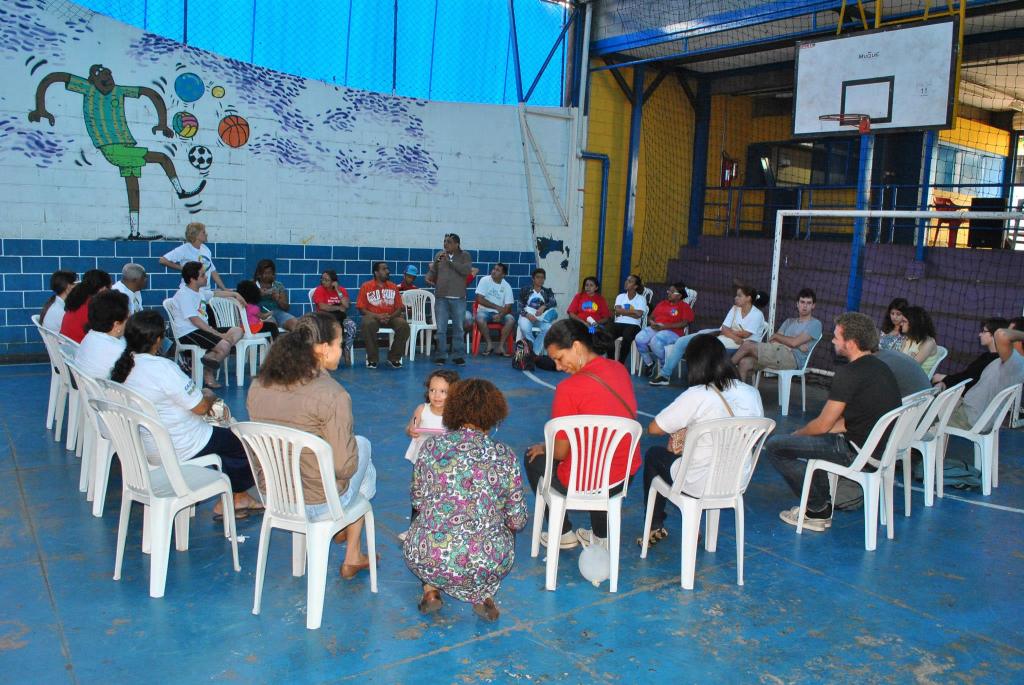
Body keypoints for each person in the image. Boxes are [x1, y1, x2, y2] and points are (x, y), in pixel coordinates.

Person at [247, 312, 375, 578]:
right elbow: (344, 468)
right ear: (323, 348)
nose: (342, 350)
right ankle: (352, 549)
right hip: (317, 502)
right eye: (340, 344)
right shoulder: (333, 395)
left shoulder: (258, 386)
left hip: (274, 496)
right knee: (363, 449)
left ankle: (349, 539)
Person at [111, 311, 260, 519]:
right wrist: (208, 396)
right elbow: (200, 408)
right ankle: (237, 497)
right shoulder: (163, 368)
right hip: (182, 444)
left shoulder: (123, 367)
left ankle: (234, 495)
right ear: (157, 340)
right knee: (240, 444)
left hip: (148, 446)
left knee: (224, 438)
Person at [28, 65, 205, 239]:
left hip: (126, 146)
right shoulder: (87, 89)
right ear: (94, 79)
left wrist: (162, 123)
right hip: (112, 148)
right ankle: (180, 191)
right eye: (104, 77)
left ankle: (134, 232)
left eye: (110, 76)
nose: (109, 80)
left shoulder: (119, 91)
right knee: (163, 158)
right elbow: (53, 78)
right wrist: (40, 108)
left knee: (133, 187)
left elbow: (150, 93)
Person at [764, 312, 901, 532]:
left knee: (775, 447)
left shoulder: (849, 374)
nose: (833, 340)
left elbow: (823, 425)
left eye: (837, 336)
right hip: (879, 451)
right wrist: (805, 435)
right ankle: (821, 505)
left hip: (856, 452)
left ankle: (817, 510)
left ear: (852, 343)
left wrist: (796, 436)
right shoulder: (880, 368)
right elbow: (851, 420)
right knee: (809, 441)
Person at [404, 378, 526, 622]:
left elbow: (417, 501)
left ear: (454, 409)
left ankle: (430, 589)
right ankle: (483, 593)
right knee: (502, 529)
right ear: (494, 414)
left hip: (429, 555)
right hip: (485, 559)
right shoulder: (505, 455)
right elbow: (517, 519)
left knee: (425, 521)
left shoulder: (432, 448)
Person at [524, 319, 640, 549]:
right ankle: (601, 535)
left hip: (585, 482)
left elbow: (560, 452)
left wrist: (545, 447)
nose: (558, 367)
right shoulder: (619, 369)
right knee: (600, 456)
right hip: (623, 475)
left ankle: (563, 533)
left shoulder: (568, 389)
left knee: (534, 457)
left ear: (576, 347)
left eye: (559, 358)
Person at [639, 335, 764, 547]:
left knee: (653, 455)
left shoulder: (697, 394)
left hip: (699, 482)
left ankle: (654, 524)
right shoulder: (752, 393)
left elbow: (654, 428)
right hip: (735, 481)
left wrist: (685, 432)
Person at [654, 282, 765, 387]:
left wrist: (730, 333)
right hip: (723, 336)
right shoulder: (735, 308)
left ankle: (701, 380)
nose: (735, 298)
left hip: (739, 347)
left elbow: (745, 335)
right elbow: (724, 329)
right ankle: (664, 375)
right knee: (682, 341)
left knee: (704, 347)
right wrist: (733, 334)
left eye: (739, 296)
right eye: (736, 295)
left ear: (748, 298)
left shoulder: (757, 314)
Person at [170, 262, 244, 388]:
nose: (206, 277)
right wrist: (218, 334)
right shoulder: (184, 295)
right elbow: (195, 320)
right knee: (225, 346)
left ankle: (208, 358)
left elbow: (215, 294)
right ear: (193, 279)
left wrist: (235, 294)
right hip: (189, 332)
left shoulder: (199, 291)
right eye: (203, 275)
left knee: (238, 330)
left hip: (201, 329)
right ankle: (207, 371)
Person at [731, 288, 822, 383]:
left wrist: (780, 338)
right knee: (744, 362)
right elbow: (774, 341)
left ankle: (723, 373)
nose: (805, 306)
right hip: (776, 352)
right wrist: (793, 344)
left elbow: (792, 342)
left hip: (792, 359)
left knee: (747, 344)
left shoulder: (815, 324)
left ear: (813, 306)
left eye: (809, 303)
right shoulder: (789, 322)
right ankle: (738, 393)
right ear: (797, 304)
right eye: (802, 302)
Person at [947, 317, 1024, 430]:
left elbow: (1000, 334)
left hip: (968, 419)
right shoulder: (1011, 362)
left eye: (1009, 332)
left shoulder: (1012, 363)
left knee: (922, 420)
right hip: (974, 414)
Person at [426, 233, 473, 366]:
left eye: (449, 242)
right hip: (441, 297)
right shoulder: (439, 255)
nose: (445, 244)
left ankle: (458, 355)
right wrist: (429, 276)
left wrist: (450, 262)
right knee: (441, 328)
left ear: (457, 244)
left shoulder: (465, 256)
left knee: (458, 328)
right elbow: (434, 270)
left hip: (458, 298)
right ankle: (441, 355)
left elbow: (466, 271)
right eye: (445, 241)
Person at [634, 282, 695, 382]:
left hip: (673, 332)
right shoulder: (662, 303)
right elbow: (651, 317)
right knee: (639, 338)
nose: (669, 293)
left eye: (672, 291)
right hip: (656, 328)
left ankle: (664, 368)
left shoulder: (684, 306)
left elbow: (684, 323)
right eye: (668, 291)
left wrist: (664, 326)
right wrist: (652, 323)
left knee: (655, 342)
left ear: (679, 295)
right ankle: (649, 363)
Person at [356, 261, 410, 369]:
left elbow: (399, 308)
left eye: (387, 269)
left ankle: (394, 357)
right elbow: (361, 308)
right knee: (367, 323)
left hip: (391, 317)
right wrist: (377, 316)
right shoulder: (366, 286)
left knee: (404, 325)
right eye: (384, 269)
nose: (388, 271)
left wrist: (390, 317)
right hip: (373, 317)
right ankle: (372, 359)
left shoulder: (393, 287)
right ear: (376, 273)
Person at [933, 317, 1008, 392]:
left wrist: (944, 378)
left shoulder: (992, 361)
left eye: (984, 331)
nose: (980, 334)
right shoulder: (990, 357)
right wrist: (945, 380)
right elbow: (967, 375)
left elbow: (969, 381)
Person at [74, 290, 129, 379]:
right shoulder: (120, 351)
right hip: (105, 391)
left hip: (86, 390)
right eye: (127, 317)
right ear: (116, 325)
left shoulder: (90, 337)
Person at [160, 222, 227, 290]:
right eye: (203, 232)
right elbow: (163, 260)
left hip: (205, 290)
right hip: (190, 290)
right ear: (196, 235)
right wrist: (184, 269)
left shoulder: (206, 249)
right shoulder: (185, 249)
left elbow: (213, 271)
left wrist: (224, 288)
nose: (206, 234)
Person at [311, 270, 357, 358]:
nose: (323, 281)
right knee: (332, 327)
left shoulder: (341, 290)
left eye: (326, 280)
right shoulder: (319, 290)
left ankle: (346, 349)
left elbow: (346, 305)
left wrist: (337, 290)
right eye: (322, 279)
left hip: (340, 317)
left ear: (333, 282)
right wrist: (338, 307)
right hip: (324, 317)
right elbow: (322, 306)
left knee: (352, 326)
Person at [473, 263, 515, 356]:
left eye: (497, 270)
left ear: (503, 275)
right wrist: (497, 307)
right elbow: (479, 299)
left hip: (500, 313)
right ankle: (489, 344)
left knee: (511, 320)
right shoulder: (484, 280)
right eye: (494, 269)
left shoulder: (507, 286)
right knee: (479, 318)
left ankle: (500, 346)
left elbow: (508, 307)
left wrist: (501, 315)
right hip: (484, 311)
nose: (493, 271)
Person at [60, 269, 112, 343]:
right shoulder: (94, 306)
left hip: (68, 348)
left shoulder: (78, 300)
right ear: (103, 288)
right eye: (110, 288)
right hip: (80, 348)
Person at [517, 268, 558, 356]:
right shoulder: (525, 290)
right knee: (524, 328)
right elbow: (519, 307)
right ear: (533, 279)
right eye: (538, 277)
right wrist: (527, 315)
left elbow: (553, 302)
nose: (540, 280)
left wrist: (544, 306)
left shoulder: (547, 291)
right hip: (527, 317)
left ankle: (533, 352)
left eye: (542, 278)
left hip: (541, 319)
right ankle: (532, 347)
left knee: (548, 328)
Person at [608, 274, 648, 366]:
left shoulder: (641, 299)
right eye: (626, 280)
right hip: (619, 323)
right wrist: (633, 312)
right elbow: (617, 311)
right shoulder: (620, 296)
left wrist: (622, 312)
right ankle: (611, 362)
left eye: (630, 281)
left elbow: (639, 315)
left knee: (627, 336)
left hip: (634, 325)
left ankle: (620, 363)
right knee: (607, 335)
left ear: (635, 286)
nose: (626, 282)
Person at [253, 259, 298, 333]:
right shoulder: (253, 285)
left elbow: (286, 307)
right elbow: (246, 303)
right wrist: (258, 294)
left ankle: (296, 343)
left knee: (295, 324)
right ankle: (275, 344)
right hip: (261, 315)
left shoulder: (278, 285)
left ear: (273, 273)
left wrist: (278, 299)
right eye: (264, 273)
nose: (266, 275)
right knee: (272, 325)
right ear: (259, 274)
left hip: (278, 313)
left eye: (269, 273)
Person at [898, 306, 940, 375]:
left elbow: (912, 367)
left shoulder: (929, 343)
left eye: (904, 321)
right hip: (904, 375)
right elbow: (899, 358)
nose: (901, 324)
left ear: (914, 324)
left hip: (917, 380)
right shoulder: (908, 339)